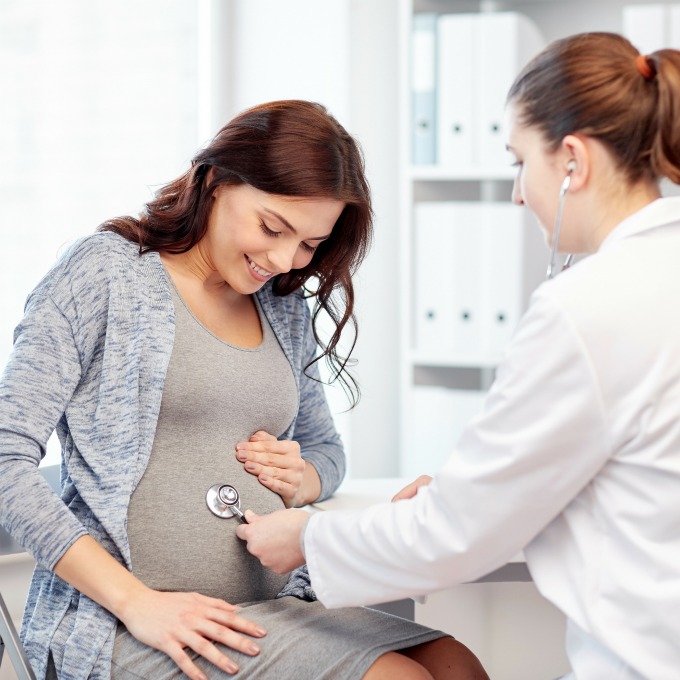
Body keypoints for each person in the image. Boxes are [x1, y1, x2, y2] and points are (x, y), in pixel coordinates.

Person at [237, 35, 680, 680]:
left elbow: (456, 535)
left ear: (572, 162)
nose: (518, 195)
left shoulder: (586, 309)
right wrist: (484, 490)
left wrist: (307, 538)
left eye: (518, 161)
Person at [0, 100, 489, 679]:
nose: (283, 260)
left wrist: (301, 476)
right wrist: (138, 604)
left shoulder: (282, 308)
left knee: (456, 664)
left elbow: (327, 453)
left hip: (278, 606)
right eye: (271, 227)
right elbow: (6, 459)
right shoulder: (107, 275)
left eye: (309, 245)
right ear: (216, 182)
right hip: (137, 625)